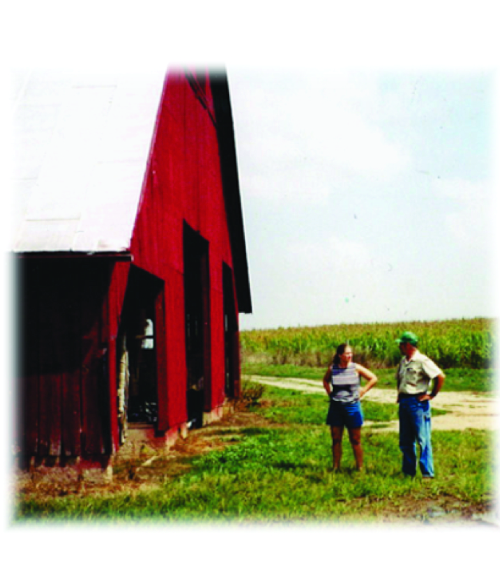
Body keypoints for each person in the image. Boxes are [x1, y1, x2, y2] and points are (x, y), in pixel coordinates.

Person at [395, 331, 445, 479]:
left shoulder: (422, 361)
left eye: (402, 344)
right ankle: (408, 471)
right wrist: (399, 394)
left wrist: (432, 395)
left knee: (422, 438)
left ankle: (427, 473)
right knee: (405, 440)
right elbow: (400, 379)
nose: (399, 346)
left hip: (417, 402)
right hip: (404, 401)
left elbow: (440, 376)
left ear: (408, 345)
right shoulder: (404, 361)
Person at [322, 344, 378, 471]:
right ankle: (336, 466)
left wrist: (362, 391)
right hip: (336, 408)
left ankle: (360, 467)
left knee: (355, 439)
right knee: (336, 439)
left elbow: (373, 378)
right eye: (346, 354)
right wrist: (330, 393)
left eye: (350, 353)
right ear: (340, 355)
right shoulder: (333, 369)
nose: (349, 356)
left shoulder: (356, 368)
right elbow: (325, 381)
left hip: (352, 407)